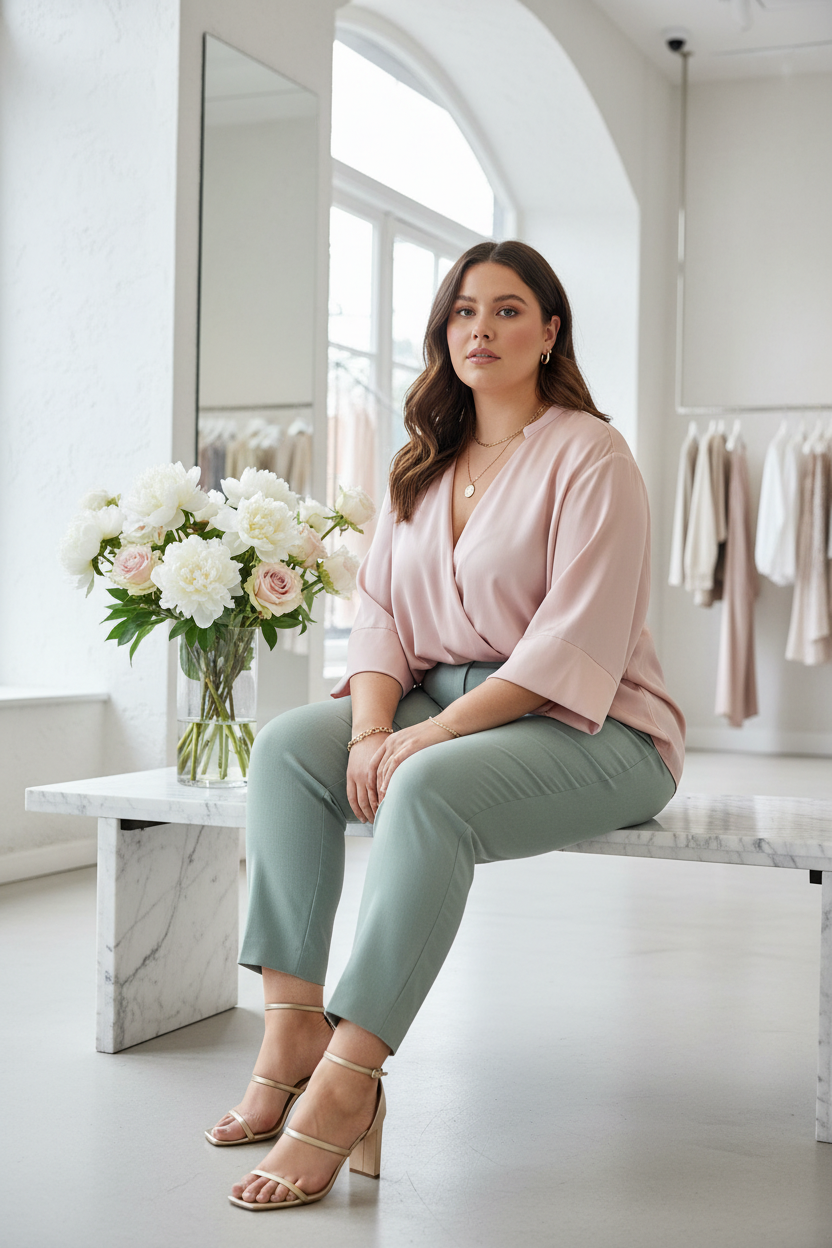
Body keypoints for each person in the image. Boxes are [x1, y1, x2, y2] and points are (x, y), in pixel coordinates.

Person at [208, 240, 685, 1211]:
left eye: (508, 310)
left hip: (596, 725)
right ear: (443, 333)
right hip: (438, 697)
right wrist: (370, 730)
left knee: (424, 786)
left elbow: (571, 642)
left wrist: (422, 740)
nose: (482, 330)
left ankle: (349, 1081)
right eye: (464, 312)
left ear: (549, 332)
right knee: (292, 748)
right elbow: (380, 615)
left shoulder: (591, 453)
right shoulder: (419, 465)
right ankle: (292, 1025)